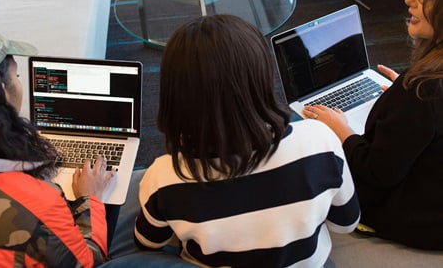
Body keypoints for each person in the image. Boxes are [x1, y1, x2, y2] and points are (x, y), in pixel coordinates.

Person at [133, 14, 360, 267]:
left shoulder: (164, 177)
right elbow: (346, 223)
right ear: (262, 78)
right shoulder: (321, 140)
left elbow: (147, 242)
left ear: (175, 94)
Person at [302, 0, 443, 250]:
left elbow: (377, 175)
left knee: (309, 151)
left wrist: (341, 130)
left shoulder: (422, 91)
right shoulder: (423, 90)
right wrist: (401, 105)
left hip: (420, 220)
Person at [0, 16, 114, 267]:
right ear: (1, 92)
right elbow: (86, 261)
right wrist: (91, 199)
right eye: (17, 75)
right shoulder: (37, 208)